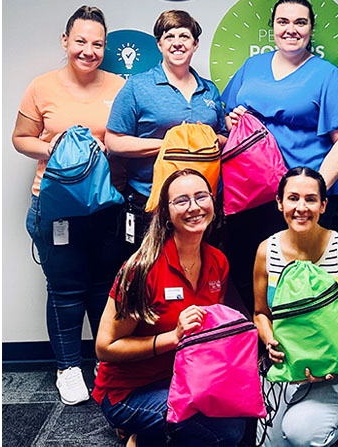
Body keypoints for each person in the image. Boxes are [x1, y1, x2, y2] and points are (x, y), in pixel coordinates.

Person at [12, 5, 126, 405]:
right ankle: (68, 368)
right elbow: (21, 137)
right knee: (65, 289)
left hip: (105, 206)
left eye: (96, 43)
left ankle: (102, 361)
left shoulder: (118, 86)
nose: (88, 50)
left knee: (103, 288)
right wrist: (53, 147)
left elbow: (125, 139)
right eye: (80, 41)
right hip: (54, 206)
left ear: (105, 47)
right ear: (66, 42)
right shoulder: (42, 86)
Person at [222, 0, 338, 311]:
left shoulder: (327, 75)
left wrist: (312, 190)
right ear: (273, 27)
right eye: (283, 22)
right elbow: (229, 118)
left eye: (300, 22)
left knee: (304, 279)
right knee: (249, 273)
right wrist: (232, 122)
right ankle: (261, 347)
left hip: (299, 197)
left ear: (311, 29)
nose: (291, 29)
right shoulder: (252, 67)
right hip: (251, 194)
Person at [93, 168, 245, 447]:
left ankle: (154, 433)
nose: (194, 207)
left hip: (183, 381)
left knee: (239, 418)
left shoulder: (218, 261)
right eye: (182, 200)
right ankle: (141, 435)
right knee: (222, 433)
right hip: (128, 392)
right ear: (166, 213)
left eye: (201, 197)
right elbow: (105, 347)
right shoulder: (142, 269)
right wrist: (173, 338)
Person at [253, 167, 338, 447]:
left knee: (300, 434)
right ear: (279, 203)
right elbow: (259, 313)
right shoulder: (266, 252)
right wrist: (270, 341)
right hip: (286, 368)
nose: (301, 208)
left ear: (323, 205)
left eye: (311, 199)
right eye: (293, 198)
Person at [105, 10, 228, 250]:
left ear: (195, 44)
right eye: (169, 36)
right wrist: (173, 144)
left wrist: (207, 139)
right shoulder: (137, 86)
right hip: (151, 203)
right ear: (159, 44)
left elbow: (223, 137)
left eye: (184, 36)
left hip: (202, 204)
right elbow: (114, 141)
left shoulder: (209, 90)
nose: (177, 42)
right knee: (149, 278)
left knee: (200, 275)